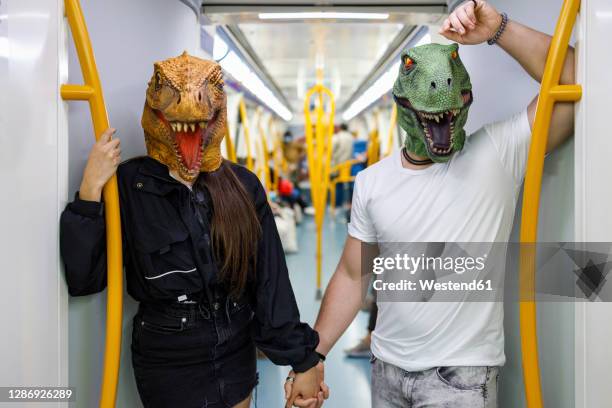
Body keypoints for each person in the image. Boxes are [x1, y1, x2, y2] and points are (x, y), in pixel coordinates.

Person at [285, 1, 575, 406]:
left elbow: (576, 78)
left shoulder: (498, 153)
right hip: (387, 369)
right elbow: (353, 277)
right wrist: (312, 358)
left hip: (462, 377)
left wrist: (497, 28)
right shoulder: (372, 183)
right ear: (400, 103)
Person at [60, 53, 325, 408]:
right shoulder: (128, 185)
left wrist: (303, 361)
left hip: (234, 348)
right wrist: (91, 191)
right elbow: (85, 279)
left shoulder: (242, 186)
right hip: (168, 358)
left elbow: (269, 284)